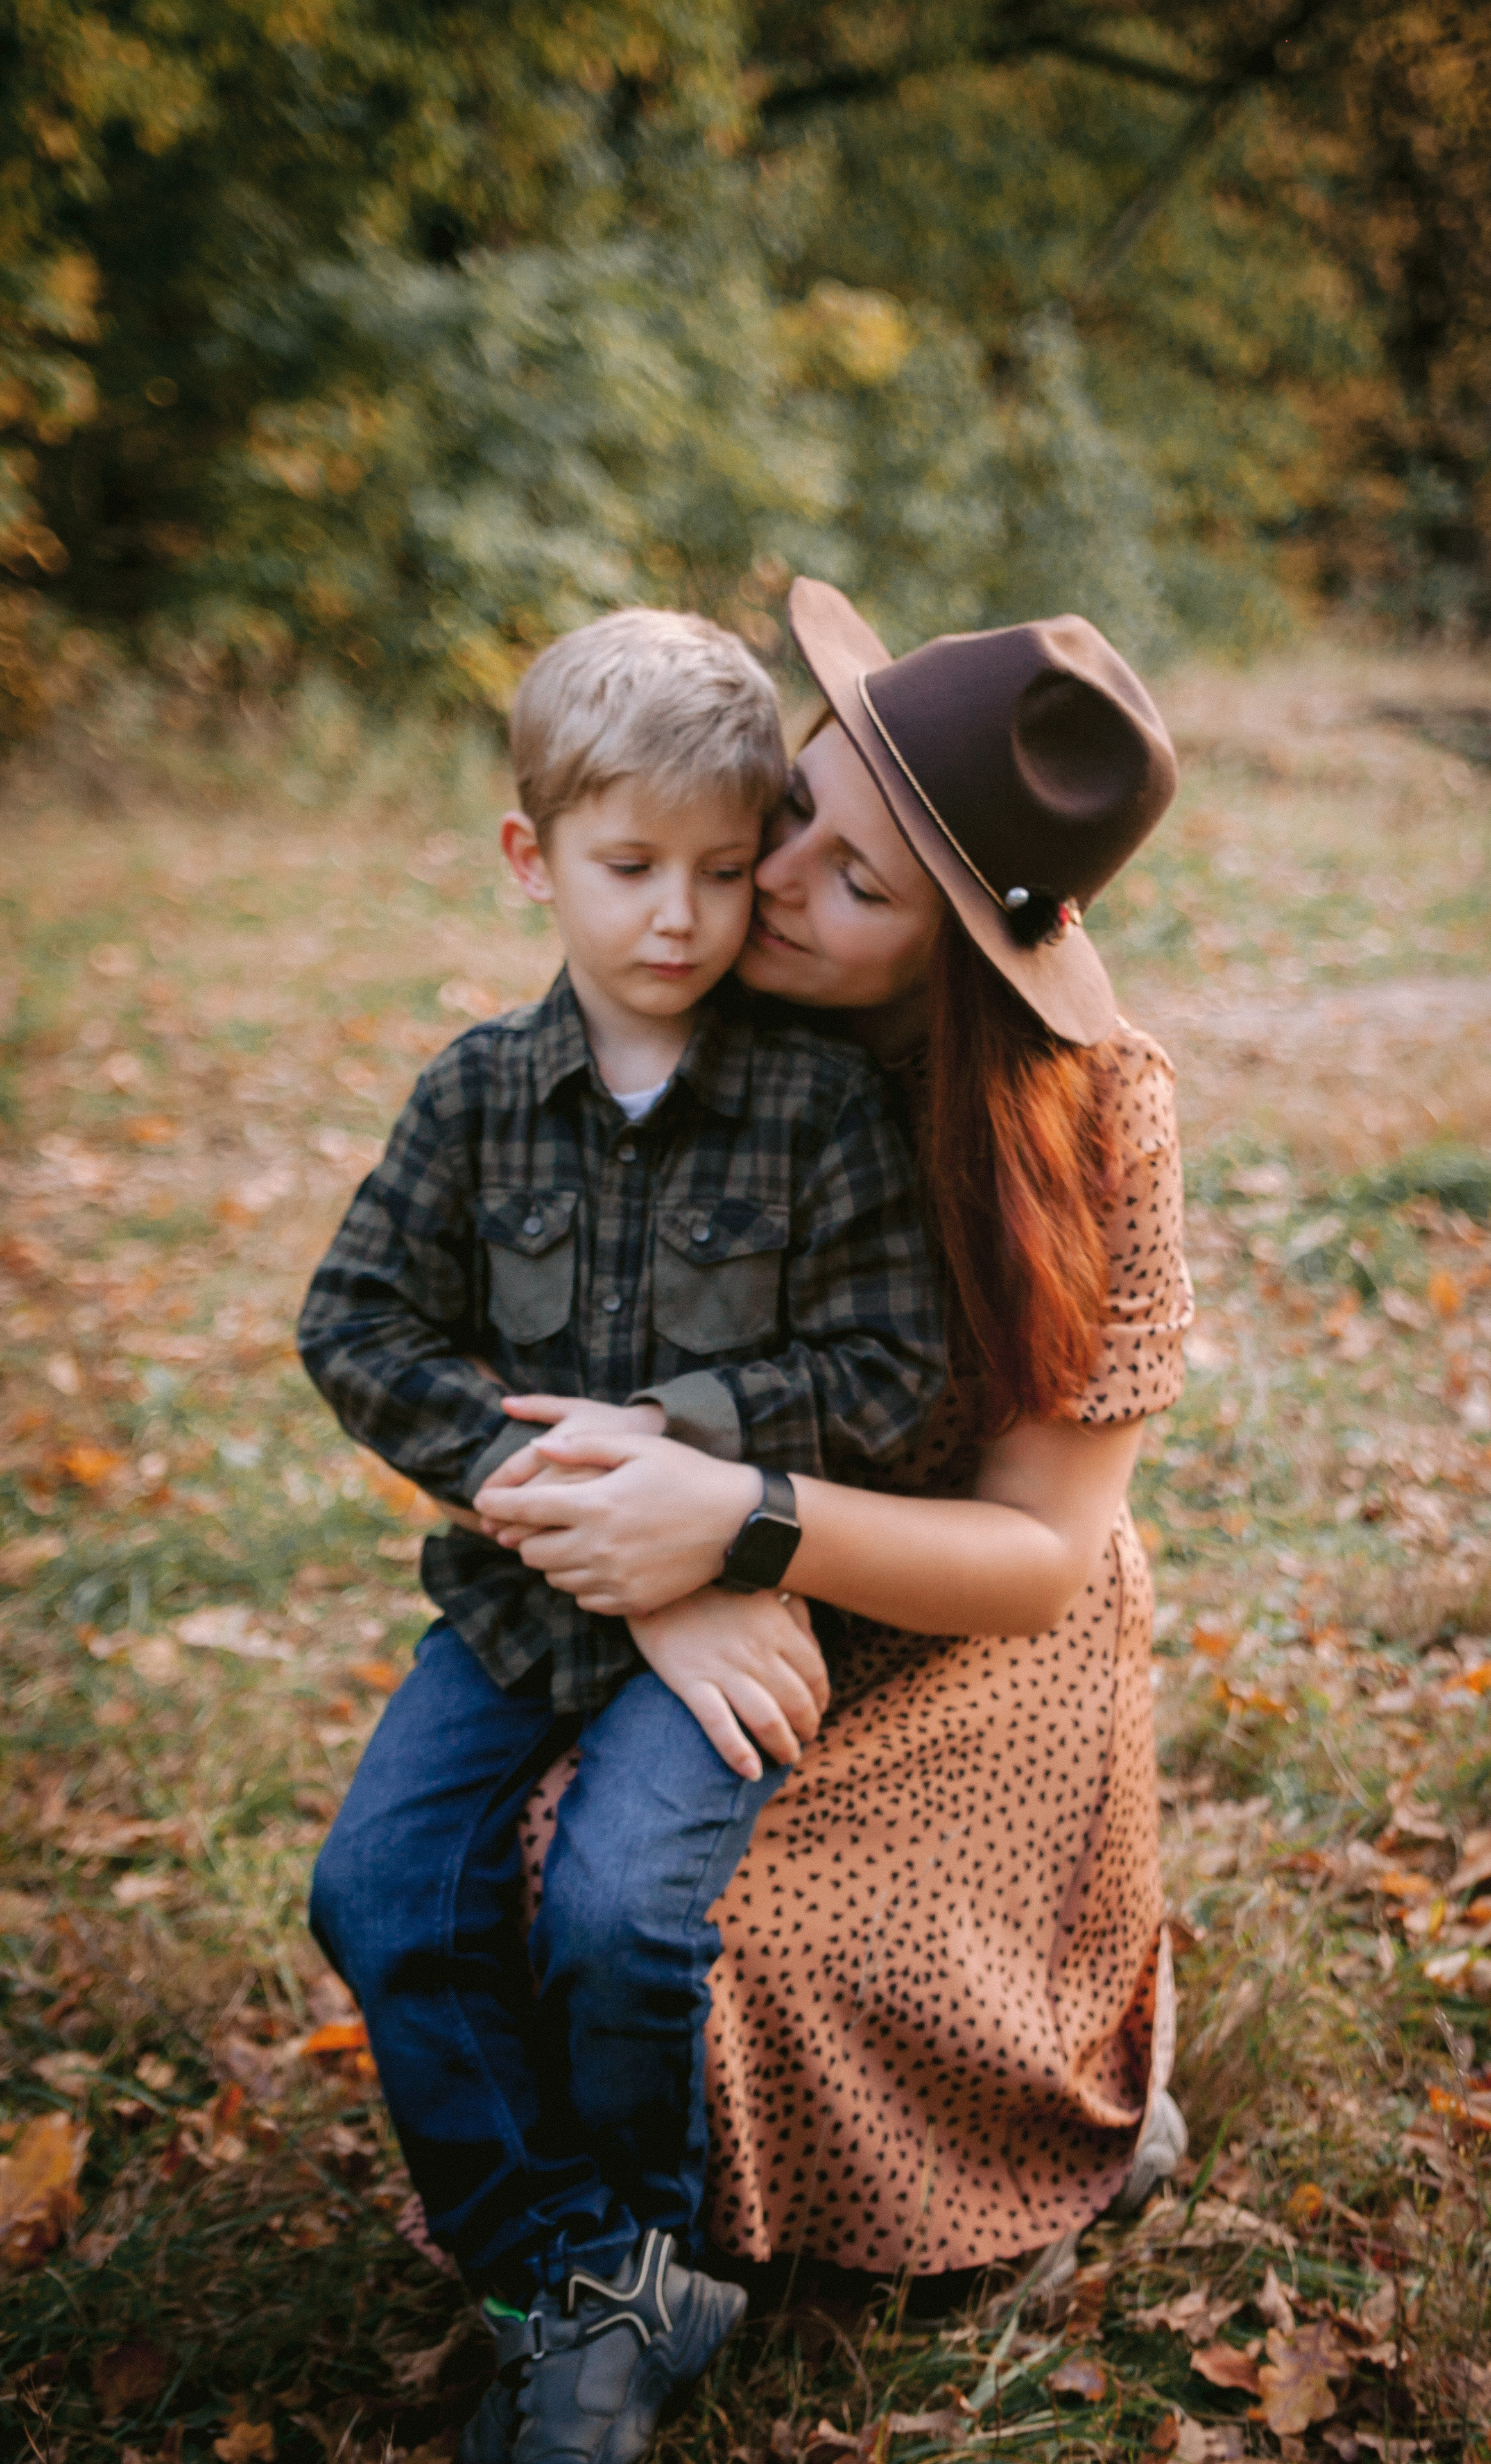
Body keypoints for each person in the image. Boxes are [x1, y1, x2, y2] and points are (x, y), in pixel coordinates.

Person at [477, 576, 1194, 2286]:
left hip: (971, 1620)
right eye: (792, 809)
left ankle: (1026, 2112)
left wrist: (740, 1521)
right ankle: (611, 2248)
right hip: (712, 1573)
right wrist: (667, 1581)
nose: (774, 880)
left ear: (968, 951)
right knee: (530, 1870)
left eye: (859, 883)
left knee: (765, 1942)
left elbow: (1040, 1551)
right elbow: (511, 1363)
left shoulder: (1097, 1119)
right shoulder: (675, 988)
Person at [296, 607, 947, 2464]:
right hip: (522, 1604)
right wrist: (558, 1508)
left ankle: (649, 2252)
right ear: (535, 858)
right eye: (630, 867)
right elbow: (356, 1325)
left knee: (618, 1914)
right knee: (379, 1890)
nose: (679, 918)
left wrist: (679, 1449)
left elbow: (892, 1371)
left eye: (725, 872)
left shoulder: (817, 1106)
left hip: (728, 1602)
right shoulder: (476, 1096)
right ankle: (585, 2276)